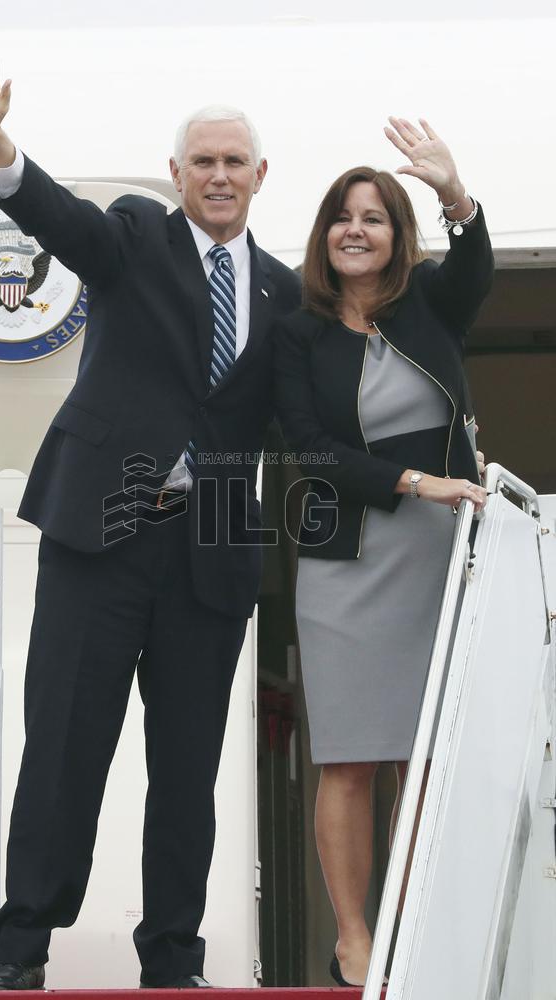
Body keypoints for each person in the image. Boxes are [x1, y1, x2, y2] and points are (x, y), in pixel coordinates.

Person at [0, 36, 300, 990]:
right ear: (175, 172)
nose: (219, 176)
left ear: (260, 174)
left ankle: (172, 966)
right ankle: (20, 954)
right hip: (98, 537)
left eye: (235, 162)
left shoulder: (283, 290)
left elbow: (307, 411)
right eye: (203, 161)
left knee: (187, 776)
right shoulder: (137, 234)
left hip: (212, 555)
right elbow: (57, 218)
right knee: (64, 754)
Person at [274, 117, 492, 987]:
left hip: (440, 557)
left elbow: (473, 264)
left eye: (375, 217)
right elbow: (307, 450)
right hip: (346, 561)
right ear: (325, 234)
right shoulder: (296, 333)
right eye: (342, 216)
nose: (356, 229)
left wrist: (453, 193)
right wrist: (411, 481)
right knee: (351, 754)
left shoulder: (432, 301)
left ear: (399, 236)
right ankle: (354, 939)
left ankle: (415, 920)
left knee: (427, 755)